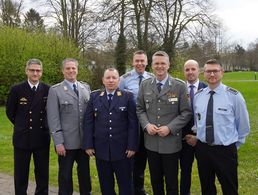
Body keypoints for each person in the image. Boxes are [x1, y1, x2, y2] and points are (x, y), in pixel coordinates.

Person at [136, 51, 192, 195]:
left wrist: (170, 128)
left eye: (163, 63)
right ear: (152, 66)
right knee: (156, 181)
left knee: (172, 182)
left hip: (171, 143)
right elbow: (140, 109)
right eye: (157, 63)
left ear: (168, 65)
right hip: (151, 143)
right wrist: (146, 125)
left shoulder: (179, 86)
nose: (159, 66)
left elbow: (186, 112)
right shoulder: (145, 85)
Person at [194, 59, 250, 195]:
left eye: (215, 71)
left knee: (229, 187)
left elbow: (243, 126)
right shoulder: (198, 96)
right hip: (203, 149)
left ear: (222, 73)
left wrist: (232, 146)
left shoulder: (234, 96)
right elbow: (198, 121)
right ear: (203, 74)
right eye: (208, 71)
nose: (212, 74)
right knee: (206, 188)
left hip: (225, 150)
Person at [83, 68, 139, 195]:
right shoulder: (95, 96)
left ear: (119, 80)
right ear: (103, 80)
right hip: (101, 150)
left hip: (123, 151)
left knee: (125, 185)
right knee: (106, 186)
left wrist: (132, 146)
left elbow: (133, 124)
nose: (111, 80)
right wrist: (88, 144)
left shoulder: (128, 97)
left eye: (114, 78)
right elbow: (88, 122)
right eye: (108, 78)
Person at [47, 58, 92, 195]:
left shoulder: (86, 88)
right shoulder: (55, 91)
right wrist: (58, 142)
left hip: (84, 142)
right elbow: (53, 118)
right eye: (68, 68)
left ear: (77, 70)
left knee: (85, 174)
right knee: (65, 176)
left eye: (73, 68)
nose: (71, 71)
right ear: (63, 71)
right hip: (66, 143)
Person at [6, 59, 50, 195]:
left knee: (42, 173)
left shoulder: (48, 89)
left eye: (38, 70)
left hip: (41, 137)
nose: (35, 73)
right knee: (21, 173)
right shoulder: (17, 89)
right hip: (22, 138)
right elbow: (10, 112)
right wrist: (21, 125)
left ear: (41, 73)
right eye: (32, 70)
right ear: (27, 71)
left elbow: (51, 112)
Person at [119, 50, 154, 195]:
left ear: (147, 62)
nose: (139, 63)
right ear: (132, 62)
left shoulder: (152, 78)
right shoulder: (124, 79)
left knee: (143, 159)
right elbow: (118, 100)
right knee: (130, 160)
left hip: (148, 124)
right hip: (131, 125)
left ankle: (139, 189)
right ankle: (129, 190)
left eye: (142, 61)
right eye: (137, 61)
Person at [179, 60, 207, 195]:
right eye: (187, 70)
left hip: (203, 138)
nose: (190, 72)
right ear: (184, 72)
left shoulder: (207, 89)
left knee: (206, 171)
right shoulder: (178, 89)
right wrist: (185, 134)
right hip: (185, 138)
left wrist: (199, 136)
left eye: (193, 69)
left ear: (198, 71)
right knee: (185, 170)